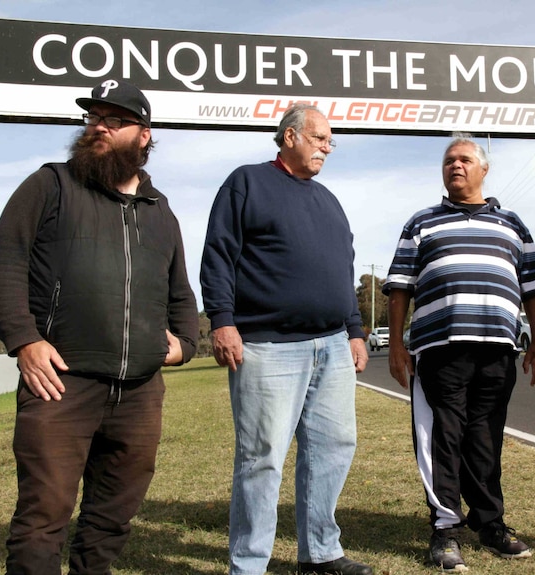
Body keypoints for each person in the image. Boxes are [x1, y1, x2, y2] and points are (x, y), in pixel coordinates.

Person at [0, 79, 199, 575]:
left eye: (115, 120)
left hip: (140, 392)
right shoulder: (51, 184)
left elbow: (180, 291)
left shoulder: (159, 210)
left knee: (112, 517)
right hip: (62, 383)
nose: (99, 126)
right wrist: (24, 340)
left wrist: (184, 345)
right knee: (43, 516)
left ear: (144, 136)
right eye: (94, 117)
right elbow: (3, 259)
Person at [200, 103, 372, 575]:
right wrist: (222, 320)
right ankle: (250, 564)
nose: (327, 148)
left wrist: (355, 330)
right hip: (267, 347)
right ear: (290, 136)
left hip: (332, 347)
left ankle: (319, 553)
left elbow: (343, 269)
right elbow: (218, 254)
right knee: (262, 460)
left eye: (330, 142)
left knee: (333, 449)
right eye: (320, 139)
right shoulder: (247, 182)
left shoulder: (328, 200)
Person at [383, 134, 535, 572]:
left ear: (483, 169)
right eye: (448, 161)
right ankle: (444, 531)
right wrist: (398, 345)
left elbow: (534, 288)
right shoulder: (421, 222)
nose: (455, 166)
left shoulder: (513, 224)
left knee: (485, 438)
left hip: (497, 347)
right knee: (444, 437)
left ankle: (490, 524)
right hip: (440, 348)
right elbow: (400, 286)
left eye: (463, 159)